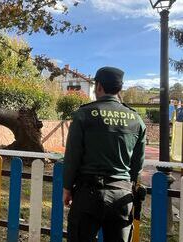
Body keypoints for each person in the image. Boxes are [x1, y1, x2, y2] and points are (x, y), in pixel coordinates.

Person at [63, 67, 146, 242]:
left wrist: (67, 188)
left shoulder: (84, 114)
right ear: (120, 89)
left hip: (88, 194)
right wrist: (129, 185)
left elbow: (72, 156)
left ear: (98, 86)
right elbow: (137, 164)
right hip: (121, 196)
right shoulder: (136, 119)